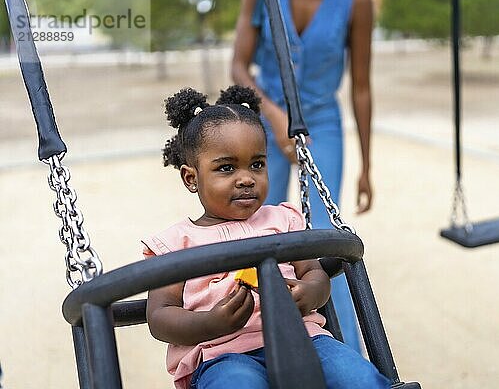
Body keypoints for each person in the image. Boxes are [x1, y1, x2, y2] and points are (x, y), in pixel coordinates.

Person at [142, 85, 389, 389]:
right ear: (191, 178)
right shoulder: (176, 242)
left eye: (257, 164)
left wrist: (309, 293)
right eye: (227, 168)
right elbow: (159, 315)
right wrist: (211, 323)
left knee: (360, 378)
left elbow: (313, 272)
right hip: (223, 355)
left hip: (305, 339)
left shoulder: (283, 220)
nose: (246, 178)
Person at [231, 0, 374, 353]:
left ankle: (348, 352)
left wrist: (367, 167)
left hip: (321, 121)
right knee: (256, 227)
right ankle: (257, 345)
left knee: (329, 238)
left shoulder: (356, 0)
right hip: (264, 117)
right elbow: (238, 66)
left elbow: (361, 87)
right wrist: (276, 118)